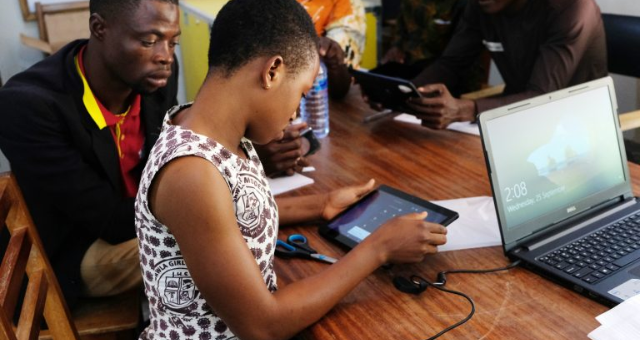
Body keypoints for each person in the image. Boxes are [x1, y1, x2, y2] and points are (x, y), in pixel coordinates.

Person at [135, 0, 447, 338]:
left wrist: (320, 204)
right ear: (272, 72)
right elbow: (263, 325)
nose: (296, 112)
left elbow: (228, 214)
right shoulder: (192, 174)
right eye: (300, 93)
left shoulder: (212, 128)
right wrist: (377, 248)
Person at [0, 0, 181, 307]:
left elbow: (170, 154)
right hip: (75, 248)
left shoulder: (154, 74)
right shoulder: (28, 106)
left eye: (172, 42)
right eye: (149, 41)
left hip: (137, 219)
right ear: (99, 28)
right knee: (197, 245)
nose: (165, 56)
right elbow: (108, 219)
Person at [404, 0, 607, 129]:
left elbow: (540, 97)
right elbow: (451, 64)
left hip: (578, 127)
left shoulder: (571, 7)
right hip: (514, 120)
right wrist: (403, 93)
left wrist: (464, 109)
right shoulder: (480, 7)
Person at [380, 0, 485, 96]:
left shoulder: (467, 5)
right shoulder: (410, 3)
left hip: (451, 79)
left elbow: (456, 60)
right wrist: (397, 46)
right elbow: (402, 26)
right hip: (410, 70)